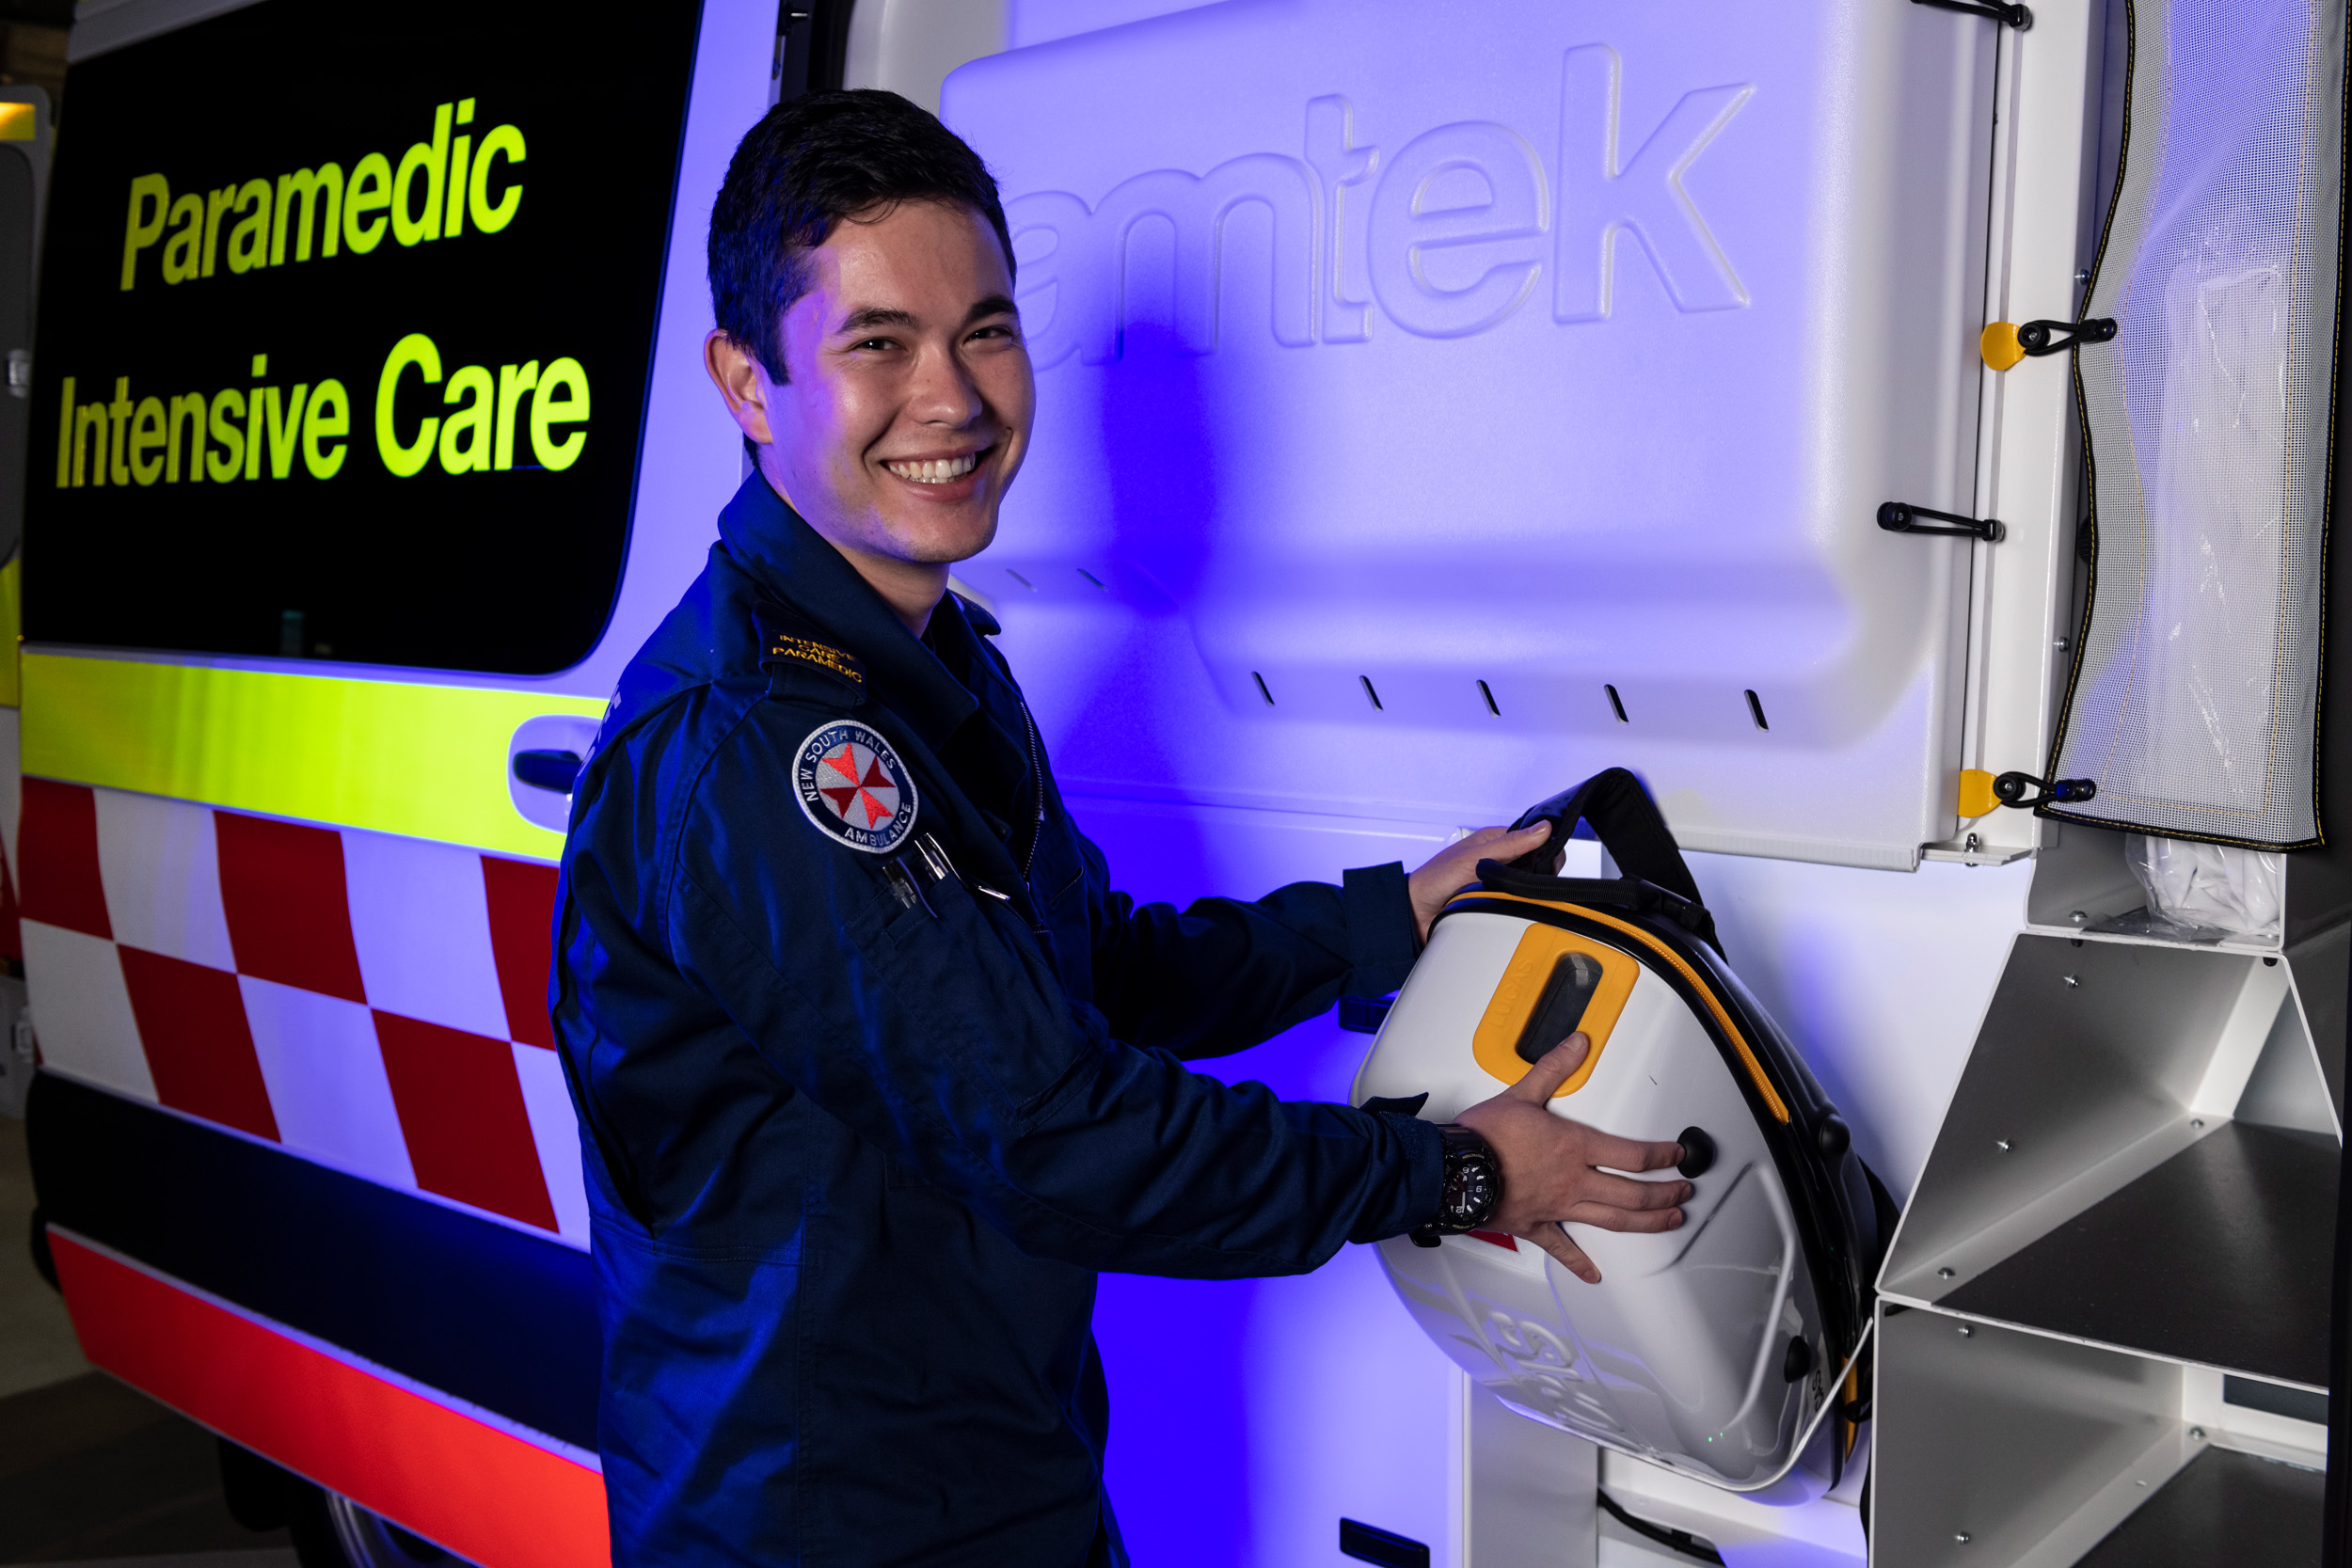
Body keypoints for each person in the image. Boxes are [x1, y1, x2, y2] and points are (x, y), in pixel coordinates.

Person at [551, 88, 1691, 1568]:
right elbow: (1057, 1130)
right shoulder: (766, 743)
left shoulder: (940, 654)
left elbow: (1089, 979)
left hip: (990, 1465)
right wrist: (1453, 1175)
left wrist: (1389, 915)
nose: (953, 398)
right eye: (877, 343)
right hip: (825, 1517)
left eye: (987, 328)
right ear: (748, 383)